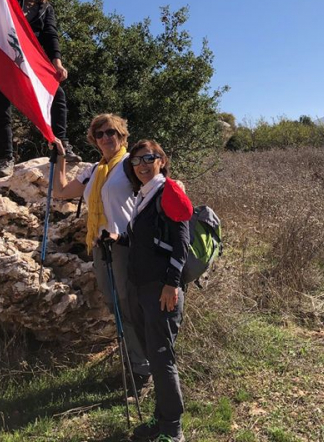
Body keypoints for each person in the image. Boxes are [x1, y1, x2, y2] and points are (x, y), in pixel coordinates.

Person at [51, 113, 151, 391]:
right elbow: (61, 192)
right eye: (100, 134)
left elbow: (159, 184)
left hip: (126, 245)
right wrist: (60, 158)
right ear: (94, 140)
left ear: (122, 135)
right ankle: (134, 364)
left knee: (128, 305)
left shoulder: (131, 163)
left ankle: (143, 370)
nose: (106, 138)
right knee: (114, 305)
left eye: (111, 132)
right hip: (99, 246)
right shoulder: (94, 170)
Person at [0, 0, 80, 178]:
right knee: (0, 110)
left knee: (57, 94)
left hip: (25, 62)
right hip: (1, 56)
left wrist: (57, 63)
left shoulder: (45, 8)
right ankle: (5, 159)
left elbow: (50, 36)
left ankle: (63, 145)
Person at [124, 139, 192, 442]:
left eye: (148, 158)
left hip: (161, 290)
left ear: (161, 161)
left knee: (162, 358)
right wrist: (116, 238)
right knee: (155, 356)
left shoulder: (169, 192)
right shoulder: (144, 195)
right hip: (142, 287)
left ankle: (172, 430)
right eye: (136, 160)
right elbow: (147, 241)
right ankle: (161, 419)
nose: (142, 165)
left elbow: (182, 243)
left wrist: (172, 284)